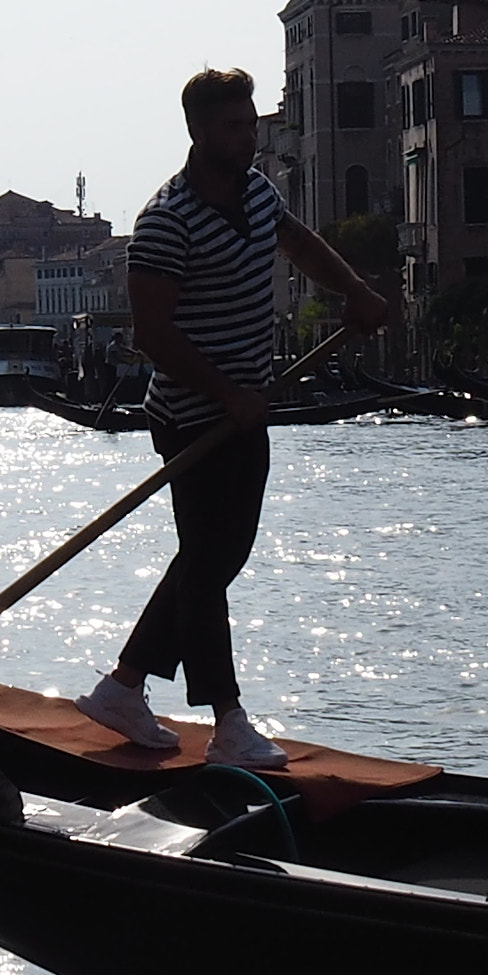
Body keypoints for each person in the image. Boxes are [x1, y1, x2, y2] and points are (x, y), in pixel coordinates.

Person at [75, 67, 391, 769]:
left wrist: (355, 289)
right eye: (234, 127)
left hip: (246, 408)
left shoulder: (256, 190)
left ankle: (124, 687)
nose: (248, 137)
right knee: (208, 565)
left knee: (214, 559)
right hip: (193, 415)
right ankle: (227, 722)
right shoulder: (165, 221)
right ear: (198, 132)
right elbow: (154, 335)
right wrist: (226, 393)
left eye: (250, 124)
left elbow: (298, 241)